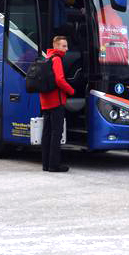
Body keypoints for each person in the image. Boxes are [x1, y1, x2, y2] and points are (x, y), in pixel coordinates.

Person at [40, 36, 76, 172]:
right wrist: (71, 90)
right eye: (63, 46)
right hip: (56, 101)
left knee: (47, 133)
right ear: (56, 46)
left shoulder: (47, 58)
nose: (66, 49)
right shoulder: (57, 59)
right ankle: (54, 165)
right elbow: (59, 80)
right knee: (56, 133)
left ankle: (46, 164)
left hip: (46, 102)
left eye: (66, 46)